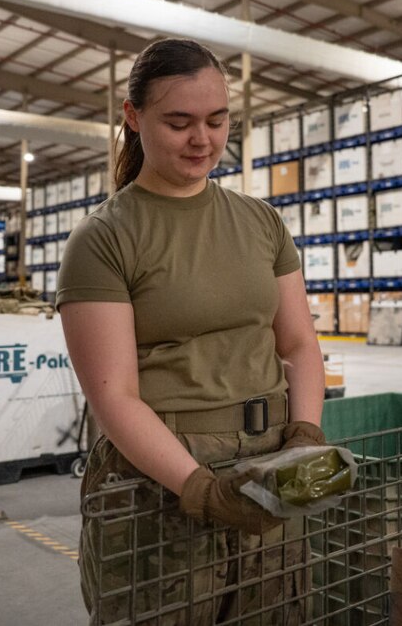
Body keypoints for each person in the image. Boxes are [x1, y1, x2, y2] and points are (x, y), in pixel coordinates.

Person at [57, 37, 327, 624]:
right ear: (133, 118)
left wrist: (304, 433)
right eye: (178, 122)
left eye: (216, 120)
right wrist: (202, 491)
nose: (202, 140)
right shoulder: (104, 239)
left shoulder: (261, 222)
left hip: (269, 468)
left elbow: (300, 344)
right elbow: (114, 397)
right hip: (161, 480)